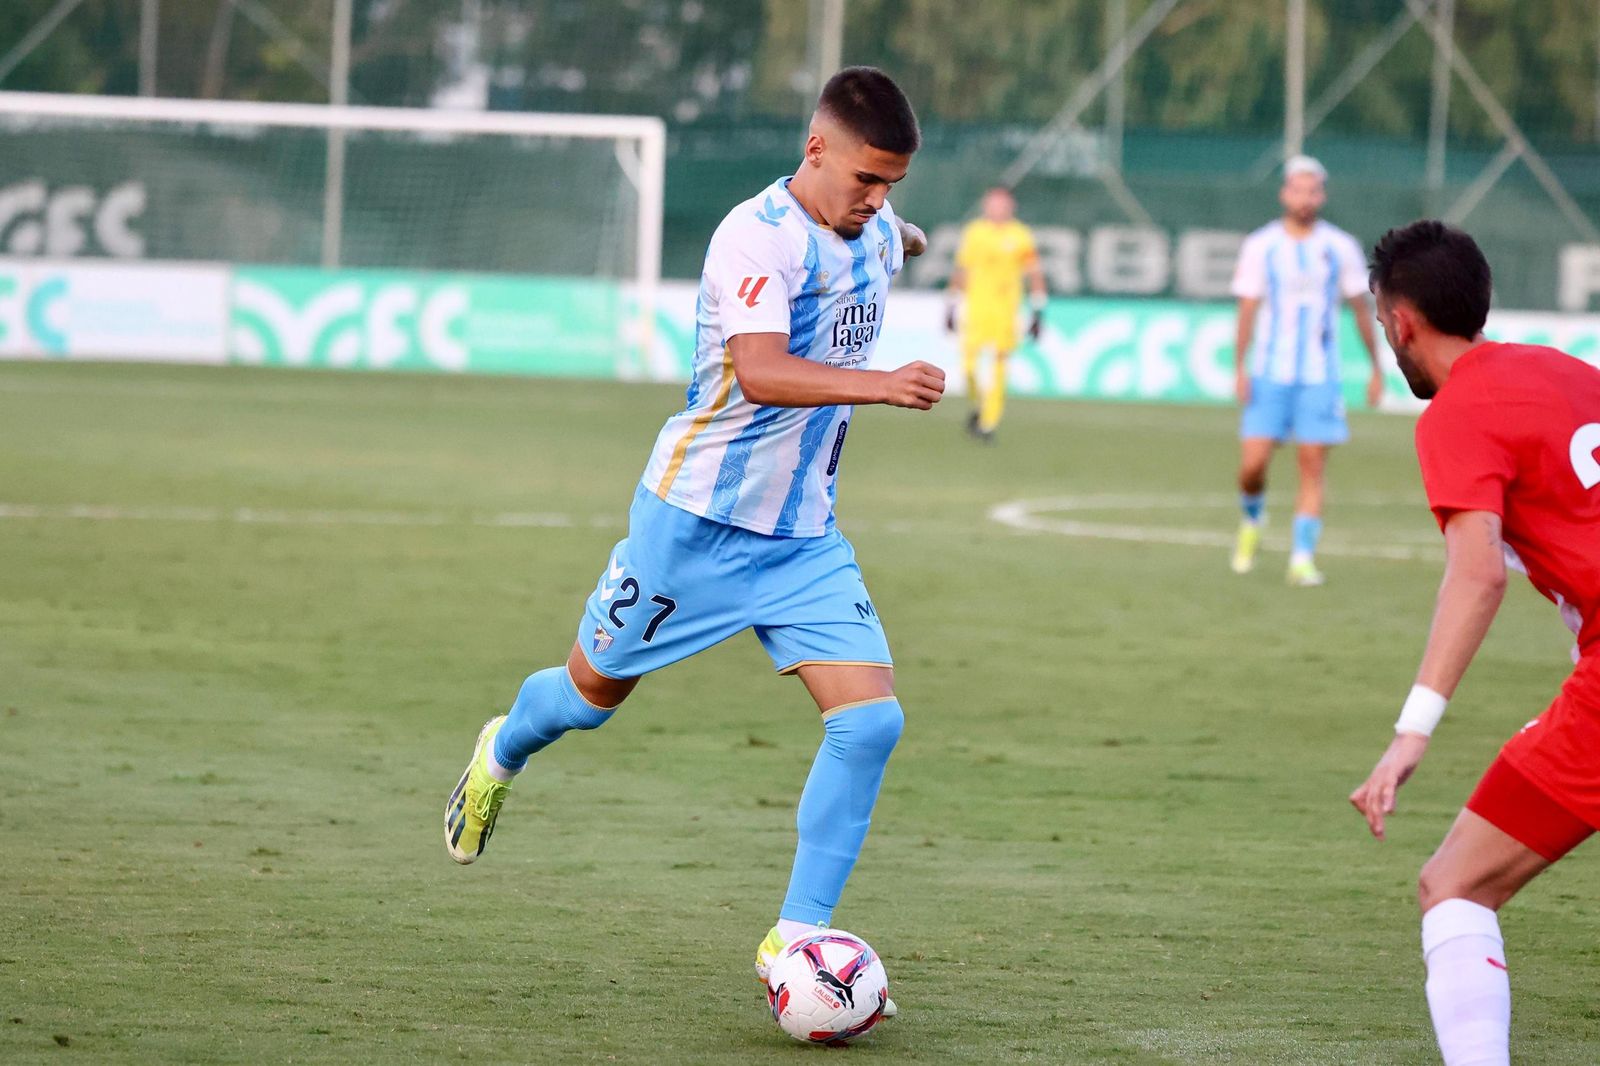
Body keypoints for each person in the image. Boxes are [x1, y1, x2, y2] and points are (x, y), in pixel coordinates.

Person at [443, 67, 942, 1014]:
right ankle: (502, 747)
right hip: (691, 528)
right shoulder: (752, 239)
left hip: (801, 538)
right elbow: (756, 370)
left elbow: (894, 236)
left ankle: (795, 937)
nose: (879, 202)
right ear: (815, 149)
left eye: (893, 187)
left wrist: (899, 228)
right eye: (866, 181)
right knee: (588, 699)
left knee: (872, 720)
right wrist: (881, 384)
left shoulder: (874, 225)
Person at [1350, 220, 1600, 1066]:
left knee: (1454, 886)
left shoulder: (1458, 411)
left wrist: (1410, 732)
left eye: (1385, 324)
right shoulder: (1571, 372)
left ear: (1403, 322)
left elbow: (1478, 573)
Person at [1228, 155, 1383, 586]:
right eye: (1298, 188)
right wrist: (1239, 367)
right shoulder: (1261, 245)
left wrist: (1376, 368)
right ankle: (1252, 520)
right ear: (1284, 193)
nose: (1305, 197)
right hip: (1269, 372)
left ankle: (1301, 558)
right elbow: (1247, 308)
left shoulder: (1340, 246)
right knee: (1252, 466)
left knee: (1312, 466)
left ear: (1322, 195)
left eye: (1313, 190)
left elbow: (1360, 308)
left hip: (1319, 375)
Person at [945, 186, 1047, 442]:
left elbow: (1034, 273)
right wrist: (951, 304)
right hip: (977, 309)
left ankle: (988, 424)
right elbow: (962, 270)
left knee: (999, 368)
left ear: (1010, 207)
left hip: (1006, 311)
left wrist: (1038, 311)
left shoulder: (1021, 236)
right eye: (992, 203)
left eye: (1001, 204)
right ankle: (978, 406)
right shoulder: (975, 233)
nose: (996, 208)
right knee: (968, 368)